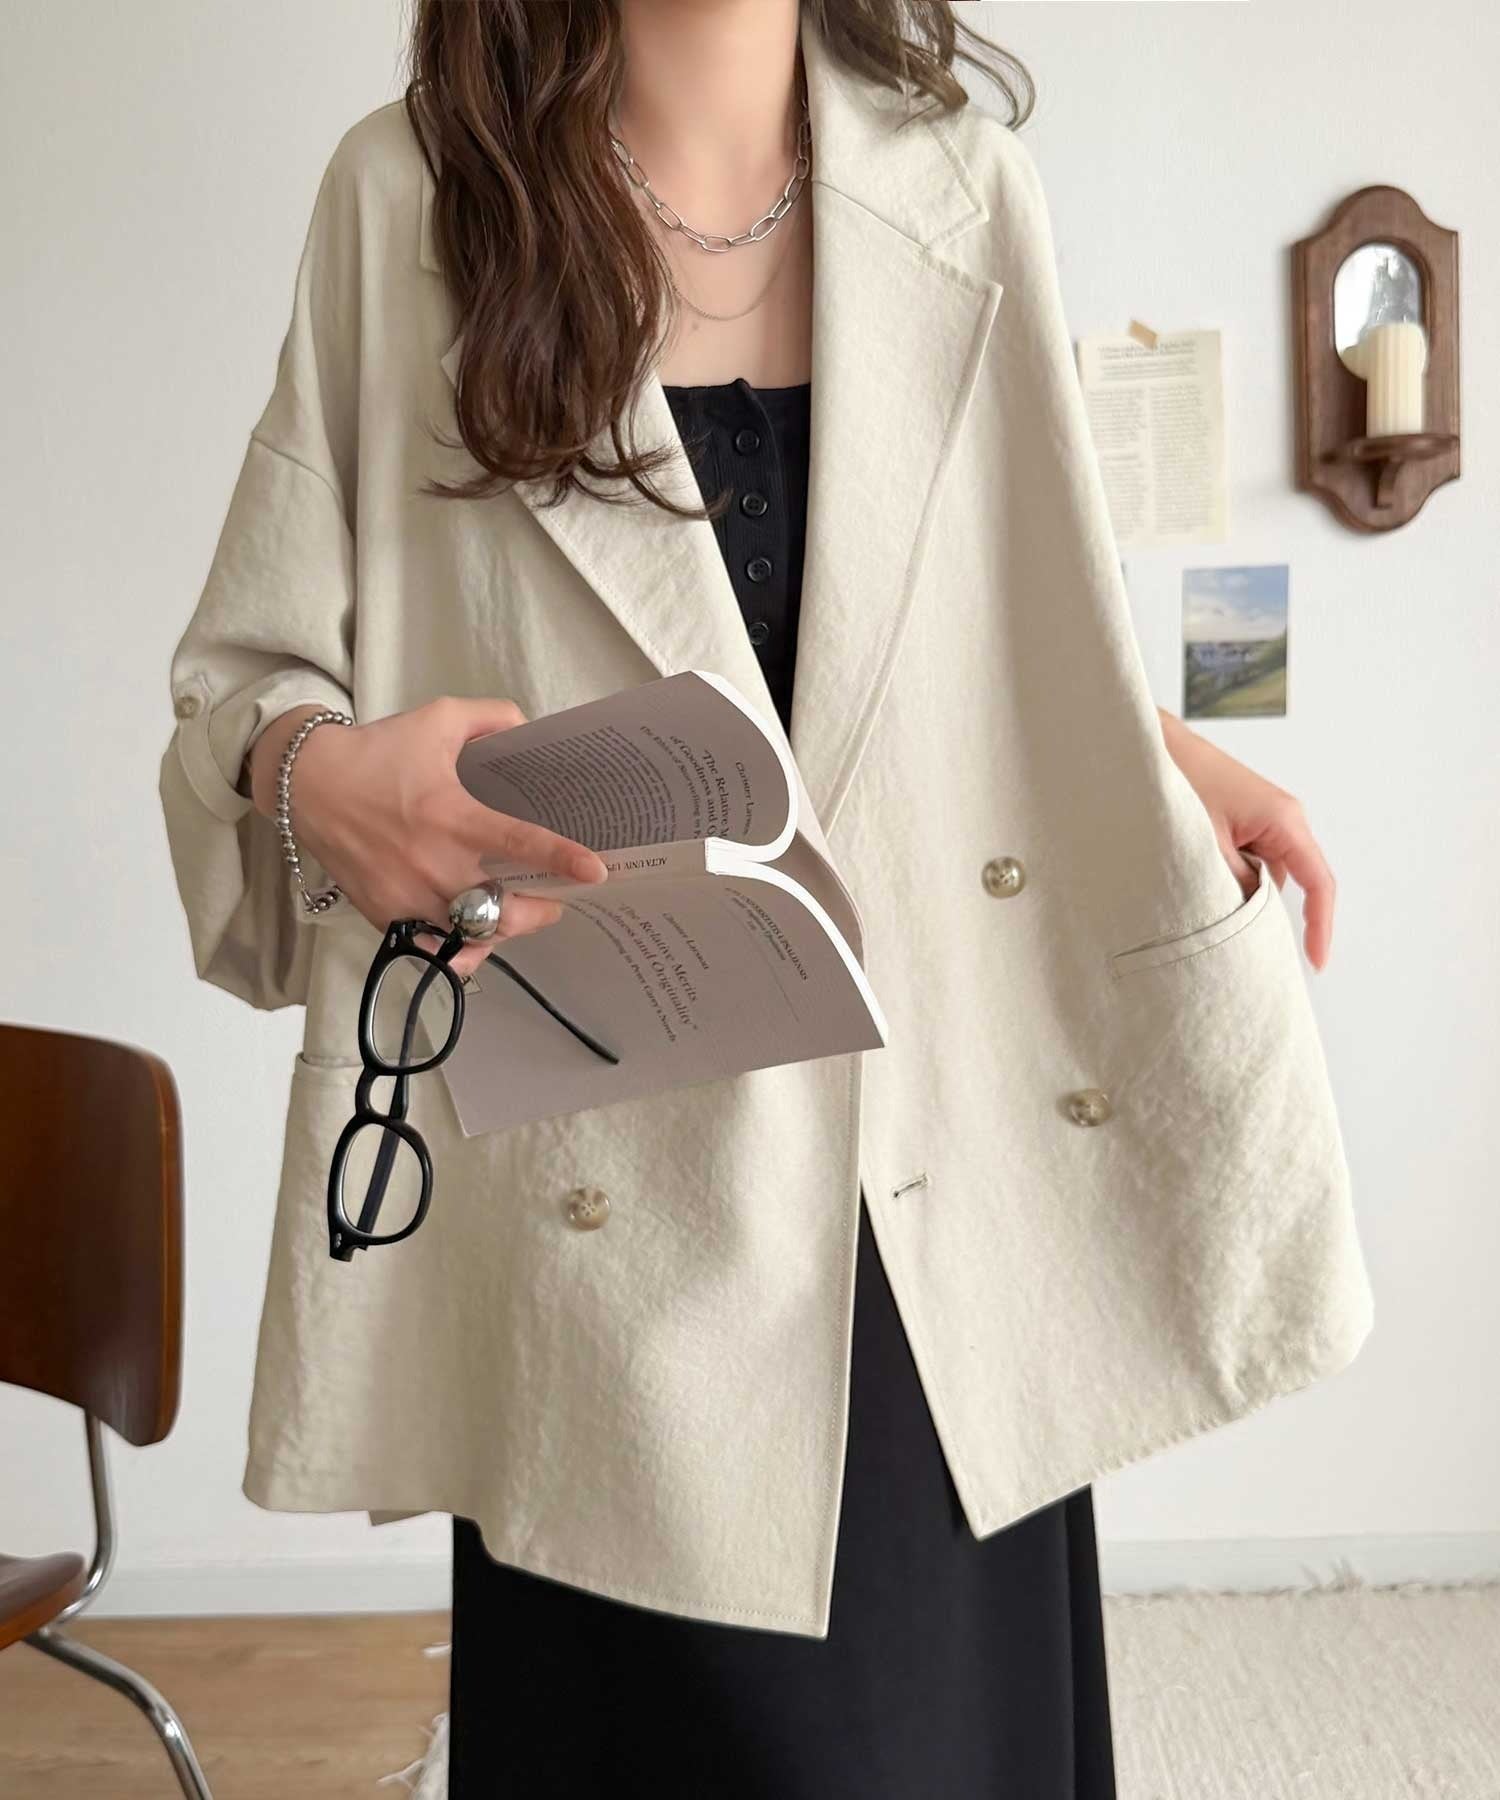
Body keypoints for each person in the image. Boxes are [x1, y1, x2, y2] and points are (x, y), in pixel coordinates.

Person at [159, 1, 1373, 1793]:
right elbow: (243, 687)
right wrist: (317, 777)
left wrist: (1181, 766)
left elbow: (1002, 631)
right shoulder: (412, 198)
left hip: (928, 1151)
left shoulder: (962, 182)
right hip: (601, 1181)